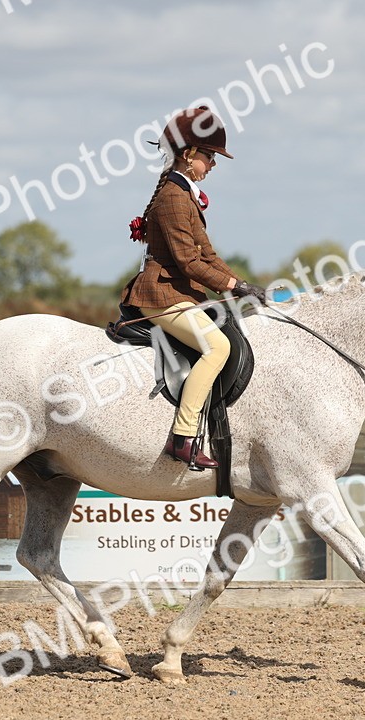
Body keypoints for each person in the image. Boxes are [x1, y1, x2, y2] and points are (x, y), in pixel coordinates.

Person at [120, 106, 268, 470]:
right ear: (188, 154)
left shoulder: (183, 193)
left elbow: (208, 254)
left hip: (179, 293)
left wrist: (241, 285)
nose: (213, 164)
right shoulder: (172, 196)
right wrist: (233, 285)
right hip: (161, 295)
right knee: (216, 347)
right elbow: (188, 262)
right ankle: (183, 437)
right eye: (209, 155)